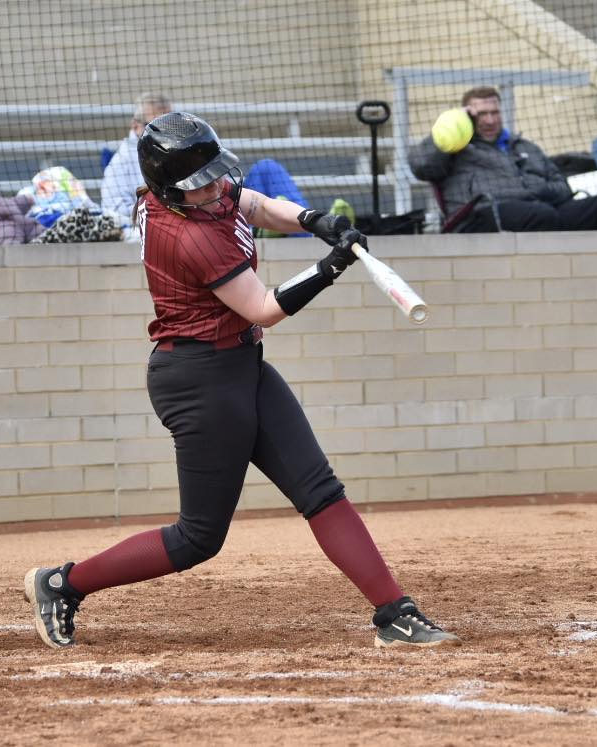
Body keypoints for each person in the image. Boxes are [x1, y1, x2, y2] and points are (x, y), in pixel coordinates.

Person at [24, 112, 460, 652]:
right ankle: (63, 583)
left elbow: (249, 202)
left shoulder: (199, 190)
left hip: (242, 364)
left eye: (213, 176)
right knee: (197, 539)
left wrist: (313, 218)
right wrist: (329, 268)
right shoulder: (188, 235)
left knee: (321, 491)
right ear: (170, 188)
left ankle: (395, 612)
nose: (213, 189)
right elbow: (262, 306)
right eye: (199, 184)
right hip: (198, 381)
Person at [409, 86, 597, 232]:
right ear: (469, 116)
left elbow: (562, 186)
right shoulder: (455, 150)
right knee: (541, 214)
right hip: (481, 216)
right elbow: (421, 165)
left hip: (544, 210)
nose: (489, 120)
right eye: (481, 114)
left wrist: (539, 192)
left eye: (494, 112)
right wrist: (453, 125)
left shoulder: (526, 147)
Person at [100, 93, 172, 241]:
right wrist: (159, 216)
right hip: (138, 234)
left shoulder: (174, 152)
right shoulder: (121, 162)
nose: (163, 133)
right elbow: (114, 212)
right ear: (136, 125)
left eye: (169, 125)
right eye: (155, 127)